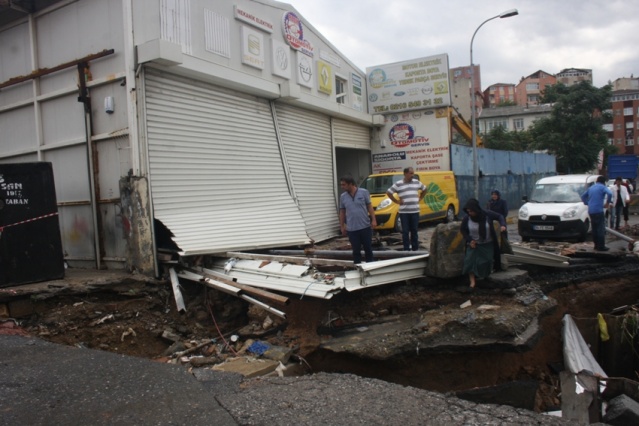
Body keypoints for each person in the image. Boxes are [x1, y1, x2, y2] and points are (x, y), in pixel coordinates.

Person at [459, 198, 507, 288]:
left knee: (487, 261)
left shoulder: (487, 214)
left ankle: (485, 277)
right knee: (469, 262)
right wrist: (469, 240)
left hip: (487, 243)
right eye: (468, 211)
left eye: (471, 211)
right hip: (473, 243)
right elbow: (463, 230)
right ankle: (472, 282)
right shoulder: (467, 218)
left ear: (476, 210)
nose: (470, 213)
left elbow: (500, 216)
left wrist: (503, 224)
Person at [386, 167, 427, 251]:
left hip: (415, 211)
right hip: (404, 212)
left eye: (413, 173)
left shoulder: (416, 182)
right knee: (405, 231)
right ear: (405, 174)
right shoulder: (398, 184)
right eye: (410, 173)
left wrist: (420, 198)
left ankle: (415, 249)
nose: (412, 175)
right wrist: (397, 201)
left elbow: (425, 189)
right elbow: (389, 192)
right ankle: (406, 249)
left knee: (414, 231)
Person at [339, 175, 377, 264]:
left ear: (350, 184)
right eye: (341, 185)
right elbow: (342, 212)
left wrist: (373, 220)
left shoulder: (364, 192)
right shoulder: (343, 197)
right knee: (356, 251)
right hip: (352, 229)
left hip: (365, 227)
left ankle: (370, 268)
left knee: (368, 249)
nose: (342, 187)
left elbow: (370, 207)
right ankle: (358, 268)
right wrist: (342, 226)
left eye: (344, 185)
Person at [580, 175, 613, 251]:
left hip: (591, 211)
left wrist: (587, 203)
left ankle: (596, 245)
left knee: (594, 229)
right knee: (600, 228)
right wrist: (607, 203)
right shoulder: (602, 187)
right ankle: (601, 246)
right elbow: (610, 193)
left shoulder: (591, 188)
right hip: (598, 210)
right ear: (604, 182)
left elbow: (583, 196)